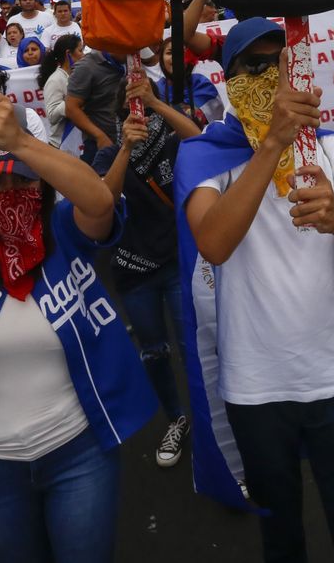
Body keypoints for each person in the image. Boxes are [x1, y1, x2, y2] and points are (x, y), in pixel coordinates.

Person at [0, 48, 155, 563]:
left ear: (42, 184)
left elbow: (100, 202)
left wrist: (18, 142)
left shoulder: (66, 230)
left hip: (78, 451)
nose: (9, 191)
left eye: (22, 180)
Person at [179, 18, 334, 563]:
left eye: (280, 65)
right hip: (256, 388)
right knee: (281, 536)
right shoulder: (206, 155)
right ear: (227, 78)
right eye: (254, 67)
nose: (268, 79)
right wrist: (271, 142)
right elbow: (214, 243)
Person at [95, 75, 202, 469]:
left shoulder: (170, 138)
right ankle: (176, 418)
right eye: (126, 99)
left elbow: (197, 139)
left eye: (138, 96)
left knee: (194, 345)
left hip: (175, 262)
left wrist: (156, 105)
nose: (133, 105)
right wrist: (125, 147)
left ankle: (211, 424)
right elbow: (102, 201)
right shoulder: (109, 153)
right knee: (154, 351)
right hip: (134, 270)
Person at [66, 50, 127, 161]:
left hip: (130, 143)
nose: (132, 53)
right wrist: (100, 137)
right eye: (127, 49)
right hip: (102, 146)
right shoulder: (86, 67)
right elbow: (71, 108)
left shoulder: (133, 61)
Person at [40, 34, 83, 146]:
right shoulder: (55, 80)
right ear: (68, 54)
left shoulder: (77, 76)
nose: (83, 55)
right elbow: (52, 116)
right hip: (61, 144)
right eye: (80, 51)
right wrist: (74, 99)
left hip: (78, 142)